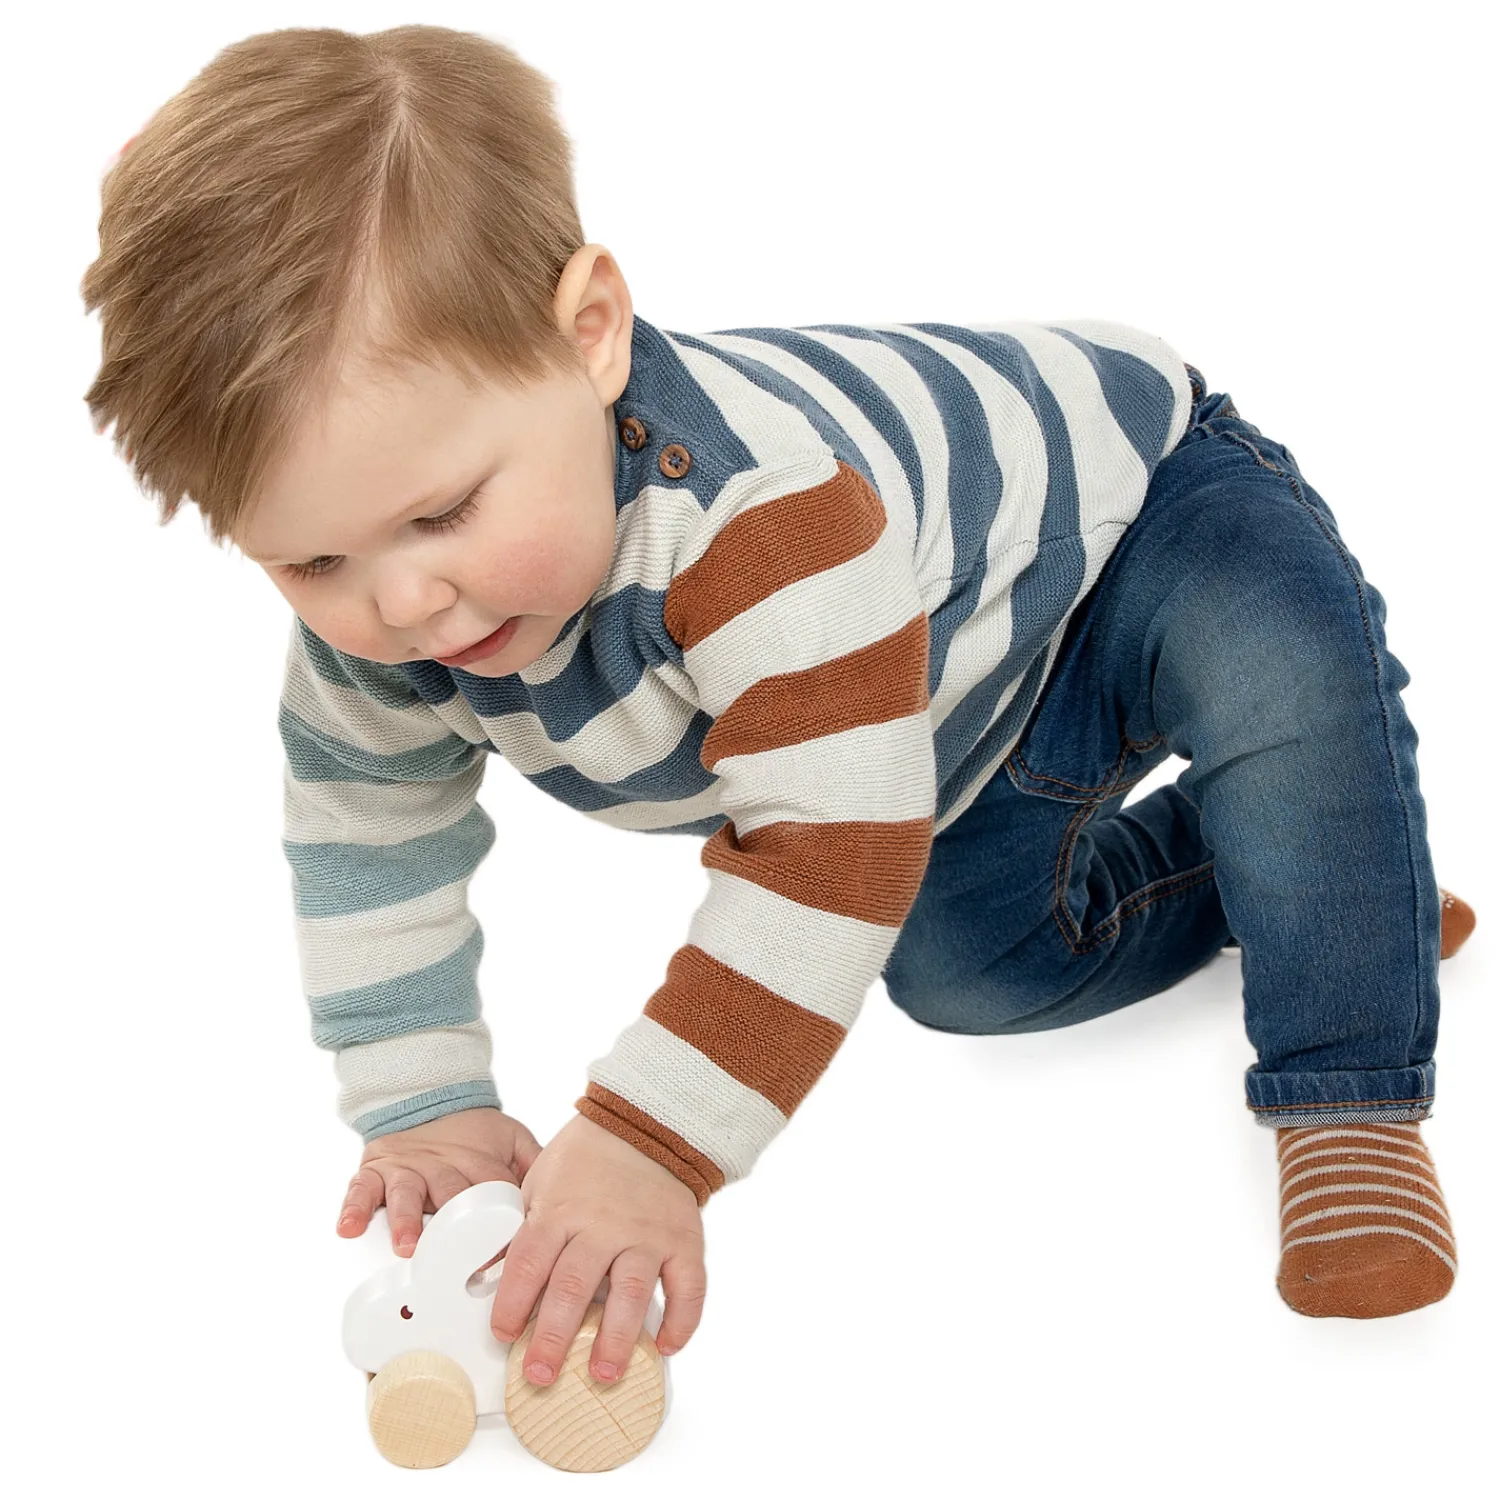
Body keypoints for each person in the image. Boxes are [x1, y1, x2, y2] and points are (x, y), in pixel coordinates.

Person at [80, 24, 1476, 1396]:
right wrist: (426, 1105)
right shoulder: (378, 641)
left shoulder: (757, 521)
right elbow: (365, 853)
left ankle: (1346, 1083)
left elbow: (824, 848)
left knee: (1285, 695)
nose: (405, 604)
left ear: (589, 338)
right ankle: (1307, 894)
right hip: (946, 710)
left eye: (442, 513)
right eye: (311, 561)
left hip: (1145, 514)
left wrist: (652, 1139)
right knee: (976, 979)